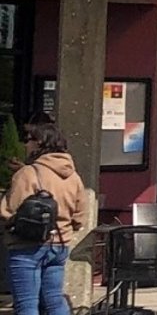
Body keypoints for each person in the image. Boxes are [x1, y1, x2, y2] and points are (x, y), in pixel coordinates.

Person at [0, 123, 87, 315]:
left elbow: (8, 211)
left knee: (27, 304)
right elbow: (80, 217)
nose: (25, 144)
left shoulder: (27, 174)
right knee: (54, 301)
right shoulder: (73, 176)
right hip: (60, 244)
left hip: (27, 245)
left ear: (40, 143)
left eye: (29, 140)